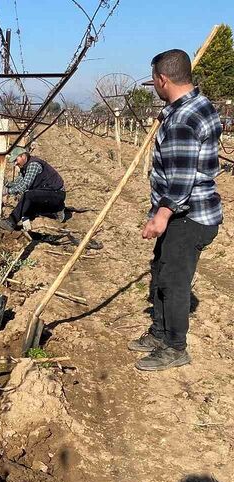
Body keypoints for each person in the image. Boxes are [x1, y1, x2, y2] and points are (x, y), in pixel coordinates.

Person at [129, 49, 222, 371]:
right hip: (189, 211)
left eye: (154, 80)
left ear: (161, 79)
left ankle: (174, 346)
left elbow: (181, 180)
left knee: (173, 281)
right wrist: (166, 114)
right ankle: (158, 332)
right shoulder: (196, 105)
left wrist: (162, 215)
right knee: (160, 269)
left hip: (188, 215)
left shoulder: (182, 120)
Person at [0, 146, 66, 231]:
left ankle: (11, 222)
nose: (15, 163)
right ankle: (27, 229)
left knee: (28, 195)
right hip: (47, 193)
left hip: (56, 194)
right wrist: (8, 185)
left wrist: (8, 191)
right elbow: (19, 182)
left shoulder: (33, 165)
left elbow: (25, 185)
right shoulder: (24, 167)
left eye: (16, 160)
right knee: (27, 206)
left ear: (23, 156)